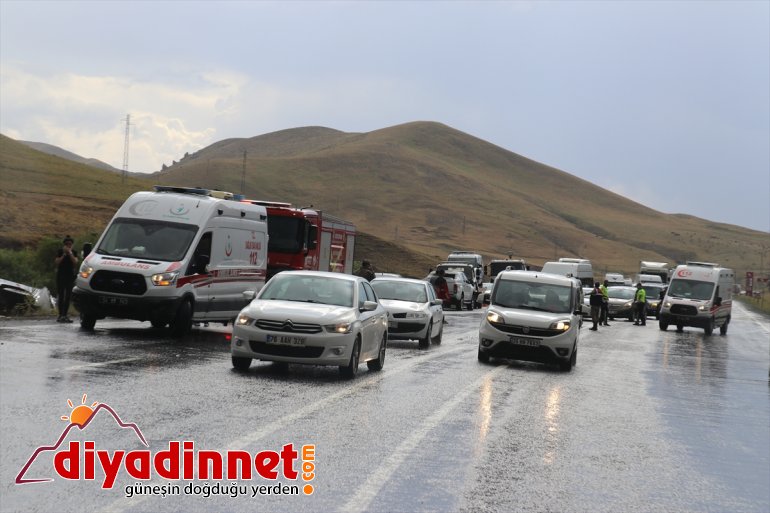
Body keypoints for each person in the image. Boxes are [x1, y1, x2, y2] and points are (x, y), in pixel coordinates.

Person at [54, 235, 78, 323]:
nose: (68, 245)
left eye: (70, 244)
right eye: (67, 244)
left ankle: (65, 315)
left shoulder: (74, 252)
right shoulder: (60, 251)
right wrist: (64, 254)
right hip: (61, 275)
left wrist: (70, 253)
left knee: (68, 296)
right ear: (64, 245)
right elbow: (57, 262)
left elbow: (75, 262)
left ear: (72, 245)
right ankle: (60, 315)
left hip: (70, 276)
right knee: (61, 295)